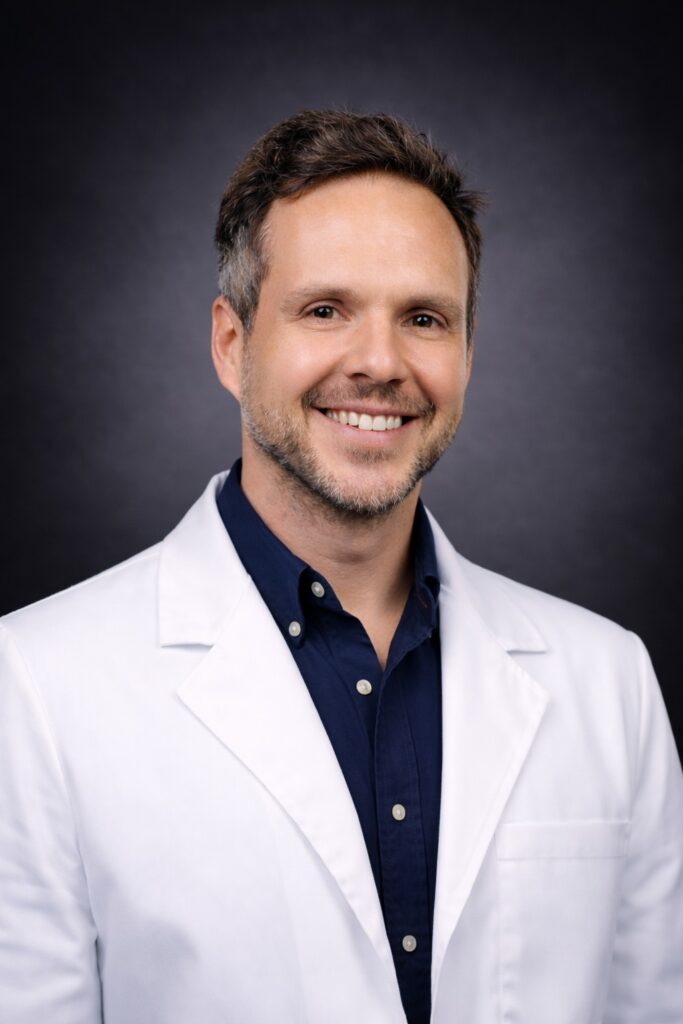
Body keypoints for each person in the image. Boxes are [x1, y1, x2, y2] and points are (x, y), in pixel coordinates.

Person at [1, 110, 681, 1024]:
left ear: (467, 354)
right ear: (231, 345)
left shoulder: (608, 680)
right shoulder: (33, 686)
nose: (379, 363)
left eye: (424, 319)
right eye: (324, 310)